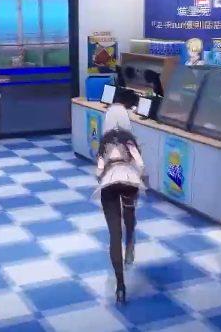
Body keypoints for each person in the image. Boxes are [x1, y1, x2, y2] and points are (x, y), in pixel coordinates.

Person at [94, 91, 143, 305]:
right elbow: (141, 165)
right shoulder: (129, 142)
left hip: (109, 185)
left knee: (114, 236)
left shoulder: (104, 143)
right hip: (129, 182)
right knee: (129, 219)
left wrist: (104, 175)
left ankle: (120, 286)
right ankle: (130, 242)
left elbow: (98, 171)